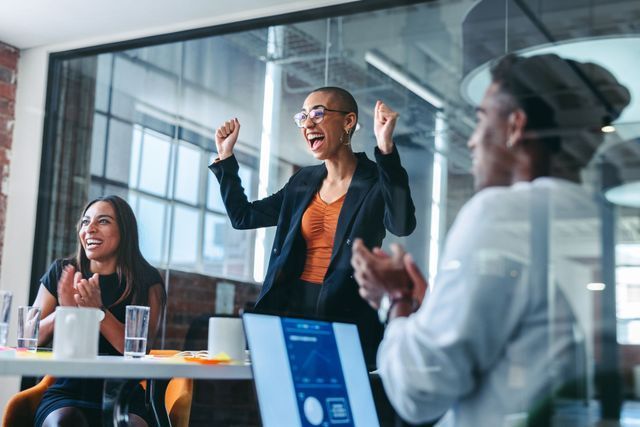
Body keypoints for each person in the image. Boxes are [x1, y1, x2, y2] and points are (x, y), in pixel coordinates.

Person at [351, 54, 630, 426]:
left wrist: (394, 301)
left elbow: (420, 392)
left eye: (481, 119)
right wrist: (425, 311)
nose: (471, 141)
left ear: (515, 126)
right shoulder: (598, 217)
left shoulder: (501, 212)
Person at [209, 86, 416, 364]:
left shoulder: (377, 179)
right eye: (303, 116)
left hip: (346, 312)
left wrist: (386, 150)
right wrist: (225, 158)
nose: (308, 123)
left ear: (348, 121)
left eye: (318, 114)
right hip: (291, 308)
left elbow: (402, 224)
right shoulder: (302, 181)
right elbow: (243, 216)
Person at [33, 195, 166, 427]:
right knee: (65, 422)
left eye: (103, 221)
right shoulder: (62, 271)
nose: (90, 229)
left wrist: (97, 311)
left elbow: (139, 349)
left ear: (124, 231)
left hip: (124, 396)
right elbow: (31, 336)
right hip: (68, 392)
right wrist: (65, 312)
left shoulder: (147, 280)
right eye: (85, 222)